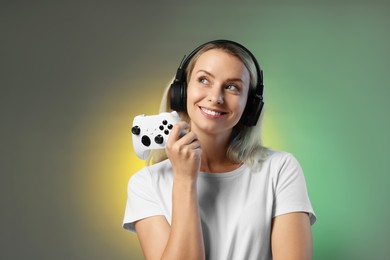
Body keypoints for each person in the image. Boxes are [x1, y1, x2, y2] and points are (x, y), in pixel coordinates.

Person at [123, 40, 316, 260]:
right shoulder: (146, 183)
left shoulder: (280, 169)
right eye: (204, 80)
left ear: (250, 105)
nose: (216, 97)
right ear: (181, 91)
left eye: (232, 87)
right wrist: (185, 180)